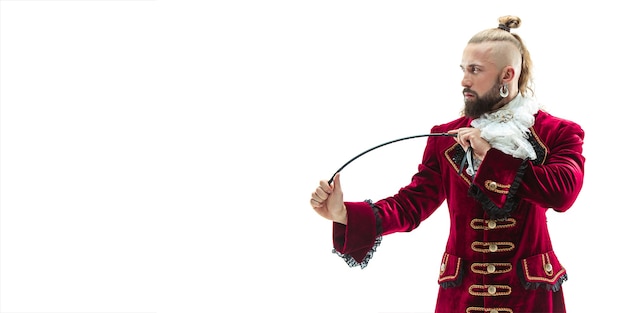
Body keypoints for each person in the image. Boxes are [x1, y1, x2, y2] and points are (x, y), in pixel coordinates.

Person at [310, 15, 585, 313]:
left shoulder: (556, 132)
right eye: (464, 69)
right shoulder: (446, 136)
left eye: (475, 70)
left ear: (507, 75)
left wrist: (489, 157)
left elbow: (563, 193)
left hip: (530, 298)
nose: (464, 80)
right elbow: (411, 205)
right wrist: (345, 213)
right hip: (462, 298)